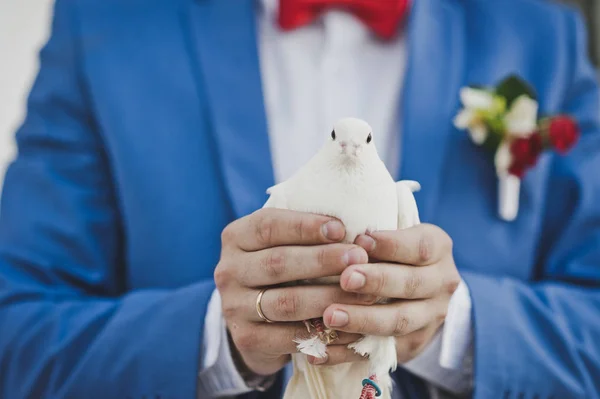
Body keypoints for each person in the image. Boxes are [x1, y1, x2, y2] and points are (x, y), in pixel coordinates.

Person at [0, 0, 599, 398]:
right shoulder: (106, 23)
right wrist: (216, 338)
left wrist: (450, 327)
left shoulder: (539, 32)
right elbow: (16, 330)